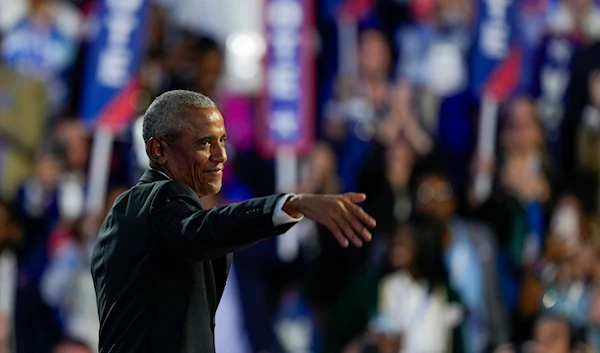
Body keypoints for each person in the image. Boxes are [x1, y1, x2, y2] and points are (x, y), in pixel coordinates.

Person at [90, 90, 376, 353]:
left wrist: (315, 191)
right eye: (202, 144)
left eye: (221, 142)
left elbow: (298, 269)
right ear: (158, 151)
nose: (219, 156)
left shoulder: (240, 247)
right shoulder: (142, 210)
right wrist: (290, 204)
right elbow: (201, 231)